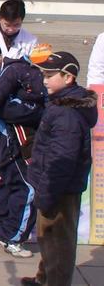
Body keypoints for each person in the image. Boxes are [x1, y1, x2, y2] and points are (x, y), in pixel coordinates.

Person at [21, 52, 97, 286]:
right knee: (48, 239)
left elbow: (63, 159)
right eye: (44, 74)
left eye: (50, 75)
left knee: (59, 244)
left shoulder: (66, 113)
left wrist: (47, 193)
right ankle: (43, 278)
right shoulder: (60, 104)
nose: (44, 80)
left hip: (58, 188)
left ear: (68, 77)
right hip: (53, 184)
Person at [0, 40, 45, 258]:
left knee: (9, 184)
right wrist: (39, 110)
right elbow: (9, 110)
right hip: (10, 143)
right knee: (27, 187)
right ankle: (12, 237)